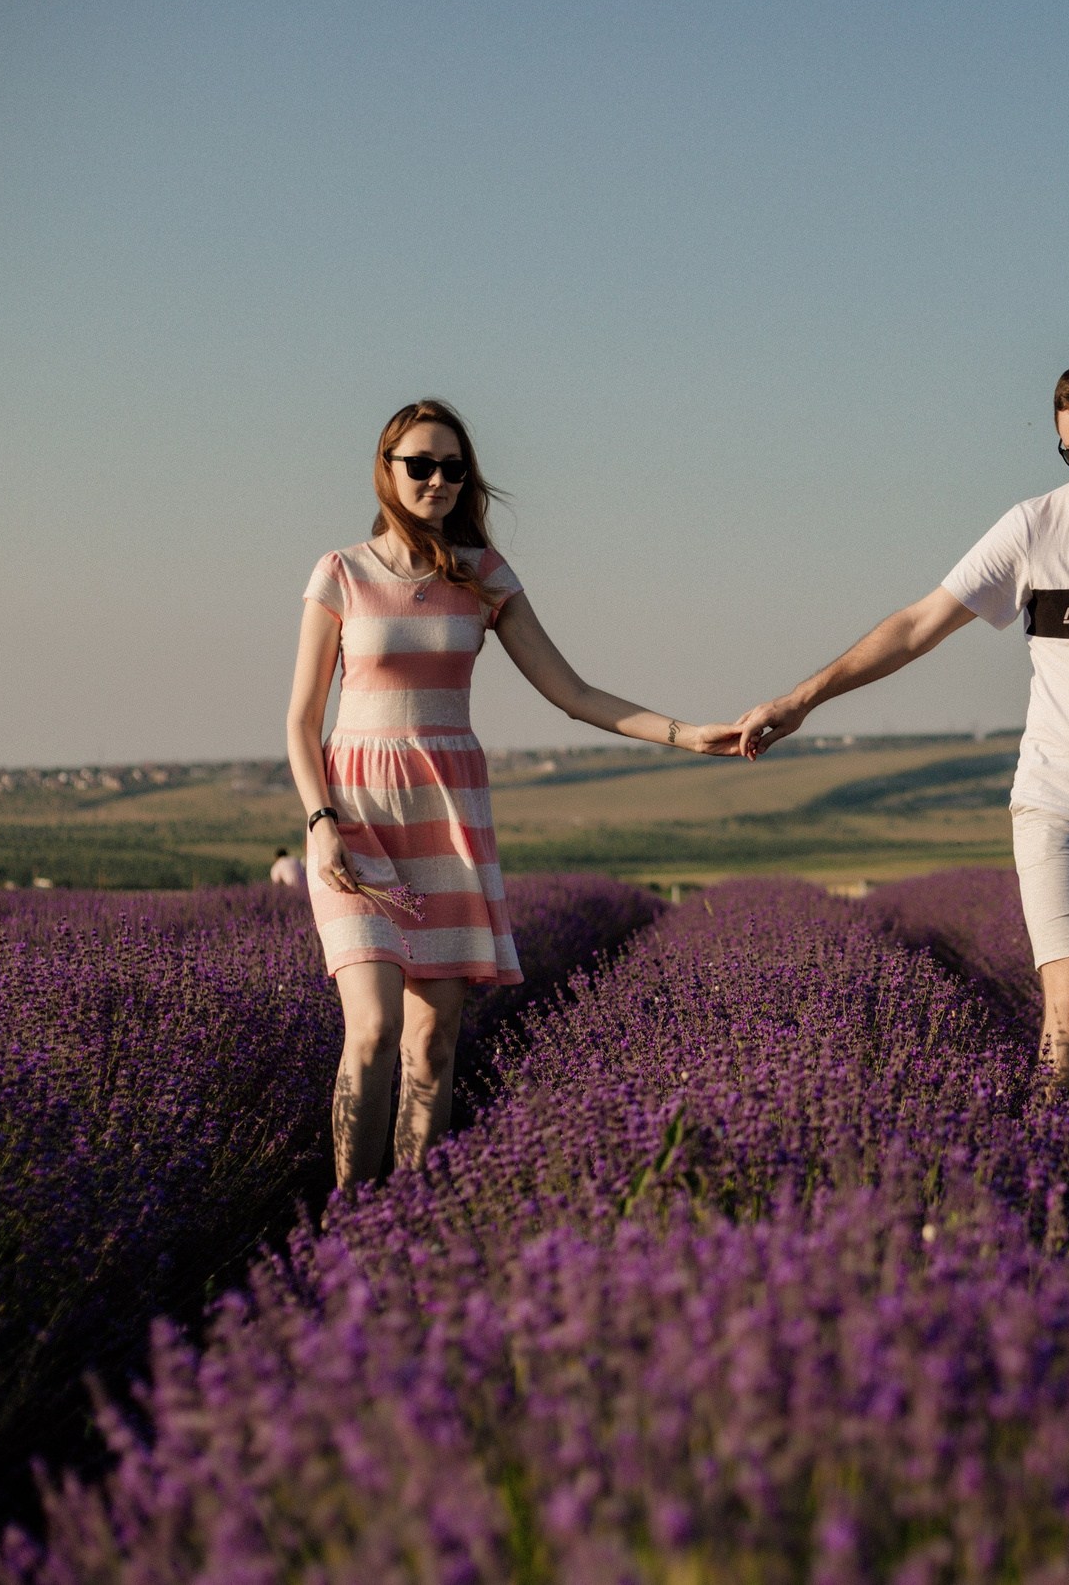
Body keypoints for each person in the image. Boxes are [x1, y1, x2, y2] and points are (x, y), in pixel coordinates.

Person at [737, 356, 1069, 1133]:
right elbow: (918, 625)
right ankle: (1058, 1183)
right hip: (1058, 807)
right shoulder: (1034, 527)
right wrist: (802, 697)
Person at [286, 398, 746, 1190]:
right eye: (421, 465)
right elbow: (300, 718)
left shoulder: (482, 577)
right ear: (387, 470)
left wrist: (686, 732)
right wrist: (319, 819)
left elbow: (571, 691)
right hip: (357, 816)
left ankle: (409, 1219)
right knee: (372, 1029)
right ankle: (348, 1216)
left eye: (454, 468)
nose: (437, 480)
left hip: (448, 818)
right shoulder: (341, 572)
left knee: (433, 1045)